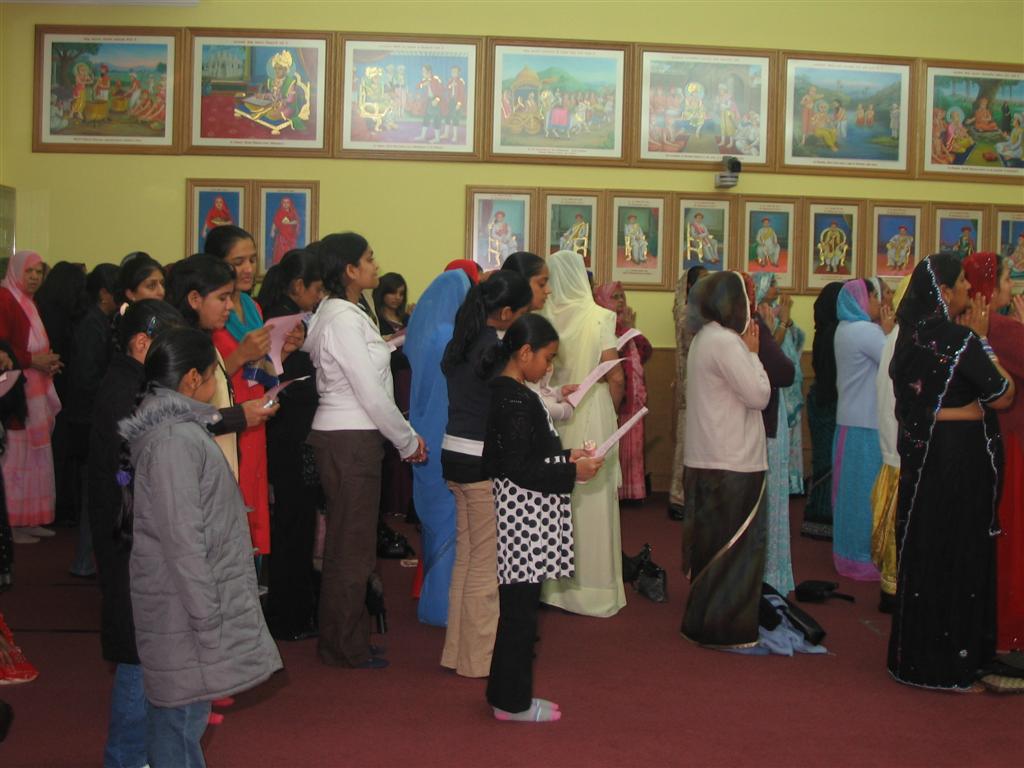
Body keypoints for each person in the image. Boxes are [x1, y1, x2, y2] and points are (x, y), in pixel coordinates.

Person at [120, 326, 282, 766]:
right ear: (192, 380)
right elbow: (183, 542)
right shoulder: (173, 442)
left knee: (184, 719)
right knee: (179, 725)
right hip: (184, 612)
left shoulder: (180, 429)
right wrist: (208, 621)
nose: (217, 385)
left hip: (183, 608)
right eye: (214, 374)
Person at [888, 254, 1015, 690]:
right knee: (957, 551)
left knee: (926, 547)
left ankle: (916, 659)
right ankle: (952, 664)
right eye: (960, 282)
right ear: (943, 293)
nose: (966, 289)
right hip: (958, 459)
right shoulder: (959, 339)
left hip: (925, 460)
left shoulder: (909, 338)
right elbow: (1001, 394)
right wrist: (984, 344)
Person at [303, 232, 426, 669]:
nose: (376, 265)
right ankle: (344, 646)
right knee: (350, 549)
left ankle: (345, 638)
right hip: (350, 437)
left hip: (349, 436)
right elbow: (370, 393)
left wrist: (390, 345)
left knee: (348, 545)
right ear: (350, 271)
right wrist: (407, 441)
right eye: (369, 259)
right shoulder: (341, 318)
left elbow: (362, 370)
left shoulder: (347, 313)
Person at [482, 314, 604, 722]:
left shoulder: (515, 391)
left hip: (525, 512)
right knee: (518, 614)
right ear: (524, 353)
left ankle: (507, 695)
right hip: (522, 517)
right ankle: (510, 703)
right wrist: (573, 472)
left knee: (521, 610)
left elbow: (530, 456)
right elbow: (518, 468)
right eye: (547, 358)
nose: (550, 368)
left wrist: (567, 457)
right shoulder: (513, 397)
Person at [90, 299, 183, 768]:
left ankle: (139, 752)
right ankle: (125, 757)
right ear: (142, 343)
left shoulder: (131, 381)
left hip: (132, 533)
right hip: (130, 538)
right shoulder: (123, 391)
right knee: (136, 655)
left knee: (145, 650)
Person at [440, 271, 532, 677]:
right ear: (507, 312)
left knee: (467, 558)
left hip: (454, 455)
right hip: (481, 461)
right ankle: (478, 661)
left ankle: (456, 651)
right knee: (487, 564)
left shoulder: (462, 341)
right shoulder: (493, 350)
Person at [681, 271, 770, 648]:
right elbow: (759, 395)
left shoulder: (703, 338)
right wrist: (754, 356)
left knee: (710, 548)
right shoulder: (728, 343)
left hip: (707, 458)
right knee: (735, 552)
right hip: (733, 461)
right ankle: (726, 631)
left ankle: (702, 624)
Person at [540, 251, 626, 618]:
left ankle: (554, 587)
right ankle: (595, 588)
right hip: (593, 409)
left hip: (554, 411)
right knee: (595, 497)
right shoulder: (601, 316)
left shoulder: (542, 317)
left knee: (557, 496)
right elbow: (615, 375)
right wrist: (612, 407)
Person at [207, 225, 297, 558]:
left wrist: (284, 351)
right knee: (231, 497)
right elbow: (208, 377)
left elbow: (259, 370)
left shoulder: (252, 306)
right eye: (238, 261)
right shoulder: (212, 311)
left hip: (256, 413)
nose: (248, 269)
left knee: (255, 495)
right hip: (227, 416)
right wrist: (242, 354)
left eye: (253, 260)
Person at [256, 249, 324, 642]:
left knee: (293, 525)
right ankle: (290, 615)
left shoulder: (281, 312)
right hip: (292, 436)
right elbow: (289, 381)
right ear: (298, 286)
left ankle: (291, 610)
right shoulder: (285, 321)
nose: (317, 298)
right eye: (315, 290)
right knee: (293, 527)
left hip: (286, 435)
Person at [166, 254, 278, 482]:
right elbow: (179, 418)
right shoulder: (179, 346)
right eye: (223, 298)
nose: (229, 307)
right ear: (195, 299)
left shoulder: (203, 338)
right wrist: (240, 414)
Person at [964, 252, 1024, 653]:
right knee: (1010, 537)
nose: (1011, 287)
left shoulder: (963, 322)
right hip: (1011, 443)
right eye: (1006, 279)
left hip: (976, 443)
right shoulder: (1003, 329)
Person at [833, 279, 894, 580]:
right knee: (866, 496)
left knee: (849, 495)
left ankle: (847, 553)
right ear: (861, 300)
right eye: (873, 296)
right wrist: (890, 327)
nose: (877, 301)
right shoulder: (865, 332)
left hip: (848, 422)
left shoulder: (843, 329)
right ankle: (863, 557)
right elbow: (894, 360)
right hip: (866, 425)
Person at [0, 251, 61, 544]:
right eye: (29, 271)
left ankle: (28, 518)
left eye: (39, 272)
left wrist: (47, 362)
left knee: (35, 456)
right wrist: (32, 360)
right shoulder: (5, 299)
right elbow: (4, 349)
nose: (35, 277)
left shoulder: (29, 302)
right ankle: (9, 524)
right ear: (15, 272)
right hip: (15, 391)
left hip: (34, 387)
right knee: (15, 457)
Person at [66, 263, 120, 578]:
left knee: (95, 493)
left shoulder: (102, 321)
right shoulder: (92, 325)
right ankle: (84, 559)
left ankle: (86, 558)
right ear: (104, 293)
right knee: (94, 494)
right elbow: (87, 378)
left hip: (90, 417)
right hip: (88, 419)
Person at [753, 273, 802, 595]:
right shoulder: (756, 323)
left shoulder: (759, 321)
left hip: (775, 409)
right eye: (771, 285)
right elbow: (780, 368)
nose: (777, 291)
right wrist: (776, 328)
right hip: (767, 414)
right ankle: (770, 574)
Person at [869, 276, 911, 614]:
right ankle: (896, 589)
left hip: (893, 440)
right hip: (901, 443)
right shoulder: (906, 339)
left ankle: (892, 587)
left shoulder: (895, 336)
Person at [35, 261, 86, 529]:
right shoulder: (64, 315)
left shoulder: (41, 307)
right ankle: (61, 506)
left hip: (49, 385)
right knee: (60, 449)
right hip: (59, 385)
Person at [593, 282, 651, 502]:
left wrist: (630, 327)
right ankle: (615, 492)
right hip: (614, 397)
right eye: (614, 297)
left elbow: (645, 352)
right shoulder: (601, 326)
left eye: (622, 297)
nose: (619, 302)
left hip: (633, 399)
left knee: (633, 448)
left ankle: (631, 492)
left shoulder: (626, 328)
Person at [803, 282, 844, 540]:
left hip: (821, 399)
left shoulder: (825, 331)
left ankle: (818, 514)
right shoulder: (835, 334)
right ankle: (821, 516)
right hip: (829, 402)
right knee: (828, 461)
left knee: (824, 459)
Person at [668, 265, 708, 521]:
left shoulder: (701, 311)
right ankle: (677, 496)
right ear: (691, 287)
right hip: (691, 387)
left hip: (704, 387)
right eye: (703, 281)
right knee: (685, 443)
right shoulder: (687, 313)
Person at [269, 197, 301, 265]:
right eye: (284, 202)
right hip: (282, 235)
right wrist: (272, 231)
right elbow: (275, 222)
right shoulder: (279, 212)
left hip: (291, 235)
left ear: (290, 204)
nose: (286, 204)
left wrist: (288, 223)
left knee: (290, 250)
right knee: (280, 250)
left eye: (287, 202)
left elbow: (296, 222)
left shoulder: (293, 212)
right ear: (282, 204)